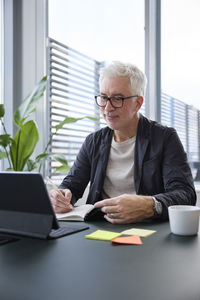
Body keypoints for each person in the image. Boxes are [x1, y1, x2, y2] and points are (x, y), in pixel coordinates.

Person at [49, 61, 196, 224]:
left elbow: (185, 194)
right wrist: (62, 195)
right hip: (100, 227)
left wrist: (149, 205)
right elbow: (72, 184)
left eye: (118, 98)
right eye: (104, 97)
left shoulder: (165, 138)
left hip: (148, 231)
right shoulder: (93, 141)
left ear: (138, 103)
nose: (108, 108)